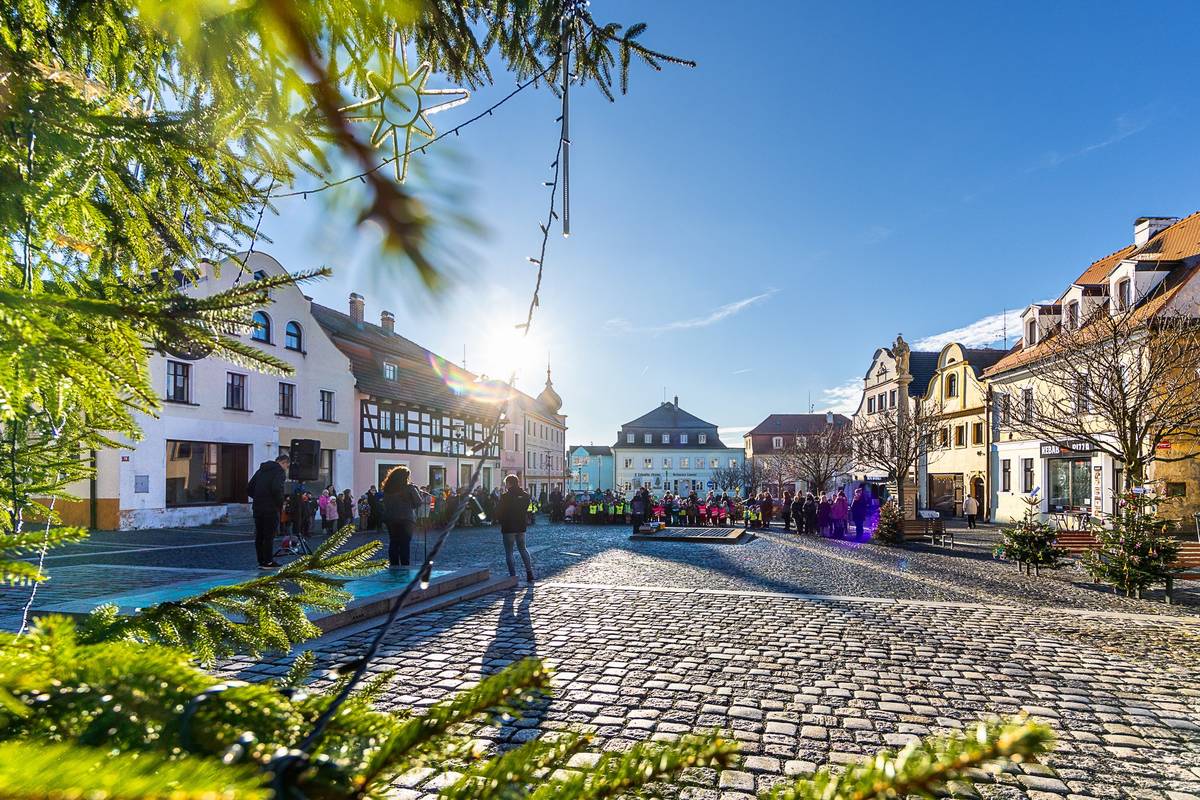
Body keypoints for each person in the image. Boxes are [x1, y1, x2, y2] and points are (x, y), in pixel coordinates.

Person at [247, 454, 288, 569]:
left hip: (258, 507)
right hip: (271, 508)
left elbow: (249, 488)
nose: (286, 468)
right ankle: (268, 561)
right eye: (287, 466)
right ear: (283, 462)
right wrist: (280, 504)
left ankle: (261, 560)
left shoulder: (261, 471)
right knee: (269, 536)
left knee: (259, 536)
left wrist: (259, 498)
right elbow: (276, 489)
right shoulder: (279, 472)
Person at [381, 466, 423, 568]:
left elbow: (385, 503)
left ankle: (394, 565)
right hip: (406, 519)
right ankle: (404, 566)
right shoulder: (409, 488)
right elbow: (419, 502)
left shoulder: (387, 488)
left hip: (391, 518)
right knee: (404, 543)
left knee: (394, 542)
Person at [496, 474, 535, 583]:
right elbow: (527, 509)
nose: (505, 485)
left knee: (509, 552)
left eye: (506, 483)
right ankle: (529, 573)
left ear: (509, 483)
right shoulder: (526, 496)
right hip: (521, 526)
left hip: (508, 526)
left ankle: (513, 576)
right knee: (523, 549)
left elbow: (499, 511)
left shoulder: (505, 497)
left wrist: (500, 520)